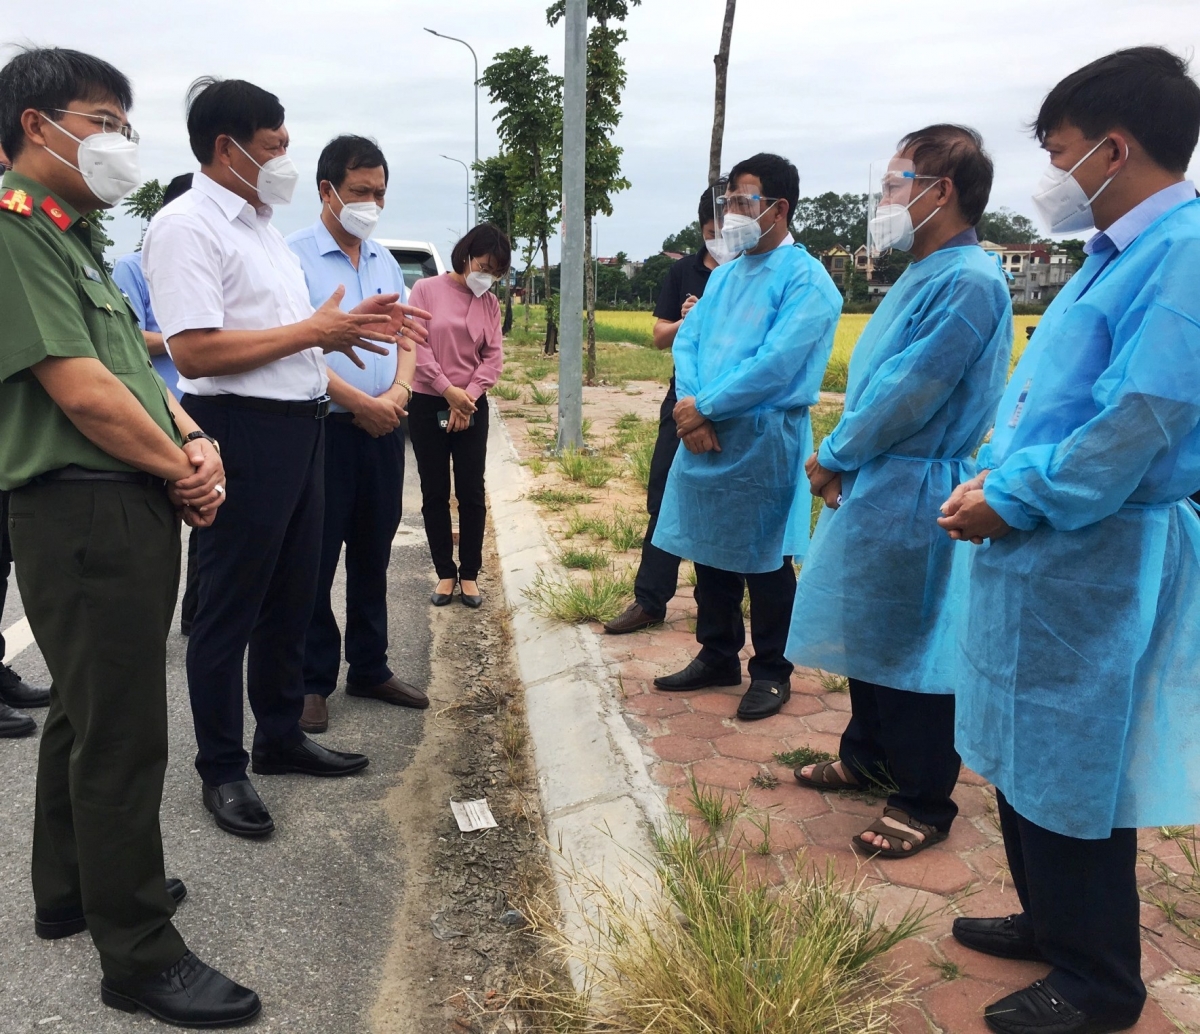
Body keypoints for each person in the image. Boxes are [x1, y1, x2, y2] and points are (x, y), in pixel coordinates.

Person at [938, 47, 1200, 1034]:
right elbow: (1051, 401)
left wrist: (1019, 498)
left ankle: (1099, 979)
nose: (1051, 173)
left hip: (1099, 550)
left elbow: (1139, 417)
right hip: (1047, 536)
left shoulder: (1184, 253)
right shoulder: (1116, 252)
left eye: (1058, 150)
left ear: (1114, 147)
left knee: (1079, 763)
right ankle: (1051, 920)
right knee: (1025, 748)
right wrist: (1000, 481)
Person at [0, 46, 259, 1025]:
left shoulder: (74, 239)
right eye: (103, 120)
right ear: (38, 124)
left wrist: (191, 437)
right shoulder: (14, 230)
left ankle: (73, 888)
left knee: (82, 707)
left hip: (122, 496)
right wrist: (177, 463)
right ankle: (138, 948)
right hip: (83, 505)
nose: (117, 141)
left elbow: (136, 372)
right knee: (122, 732)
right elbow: (82, 391)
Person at [142, 77, 427, 839]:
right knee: (228, 608)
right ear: (228, 147)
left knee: (292, 594)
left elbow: (293, 327)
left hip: (300, 428)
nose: (284, 161)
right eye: (274, 147)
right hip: (240, 427)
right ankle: (222, 769)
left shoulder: (261, 228)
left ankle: (278, 736)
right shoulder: (186, 226)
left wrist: (337, 325)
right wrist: (312, 335)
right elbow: (195, 351)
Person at [787, 125, 1013, 860]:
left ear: (940, 191)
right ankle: (868, 756)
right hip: (883, 476)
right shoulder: (927, 270)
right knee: (872, 630)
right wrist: (849, 460)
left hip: (919, 481)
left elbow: (909, 391)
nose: (881, 200)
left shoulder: (970, 280)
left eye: (893, 184)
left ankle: (923, 798)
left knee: (918, 643)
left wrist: (834, 454)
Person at [651, 153, 841, 721]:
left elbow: (778, 364)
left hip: (763, 436)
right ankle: (717, 653)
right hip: (702, 430)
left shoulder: (809, 281)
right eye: (727, 200)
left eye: (744, 200)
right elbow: (688, 342)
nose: (731, 211)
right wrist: (694, 409)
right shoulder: (726, 274)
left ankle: (773, 669)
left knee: (764, 558)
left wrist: (704, 406)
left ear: (778, 208)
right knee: (710, 548)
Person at [287, 135, 427, 734]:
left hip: (383, 426)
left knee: (373, 550)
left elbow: (407, 336)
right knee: (315, 558)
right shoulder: (290, 257)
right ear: (327, 191)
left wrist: (396, 393)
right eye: (360, 192)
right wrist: (359, 405)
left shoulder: (383, 259)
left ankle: (370, 666)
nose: (371, 203)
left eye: (379, 193)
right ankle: (310, 681)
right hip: (323, 427)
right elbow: (294, 352)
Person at [605, 188, 724, 635]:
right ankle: (650, 600)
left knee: (724, 506)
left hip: (733, 403)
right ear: (701, 229)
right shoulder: (682, 272)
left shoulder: (751, 271)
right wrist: (686, 320)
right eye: (712, 233)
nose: (720, 242)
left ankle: (724, 622)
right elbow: (658, 336)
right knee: (663, 496)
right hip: (682, 401)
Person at [112, 173, 201, 636]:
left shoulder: (205, 268)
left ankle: (195, 610)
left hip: (198, 409)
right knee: (156, 522)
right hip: (155, 410)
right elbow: (123, 340)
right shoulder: (132, 267)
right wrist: (188, 340)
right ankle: (142, 626)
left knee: (207, 512)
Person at [407, 224, 510, 609]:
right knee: (434, 490)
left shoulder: (490, 304)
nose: (488, 277)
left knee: (470, 491)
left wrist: (467, 398)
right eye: (484, 266)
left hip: (472, 403)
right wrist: (448, 391)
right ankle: (445, 573)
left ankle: (469, 574)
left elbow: (493, 357)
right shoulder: (426, 291)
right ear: (466, 257)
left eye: (496, 273)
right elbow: (418, 346)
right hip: (428, 399)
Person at [111, 173, 192, 401]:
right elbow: (128, 338)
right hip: (165, 405)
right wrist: (193, 342)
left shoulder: (213, 269)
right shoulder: (132, 268)